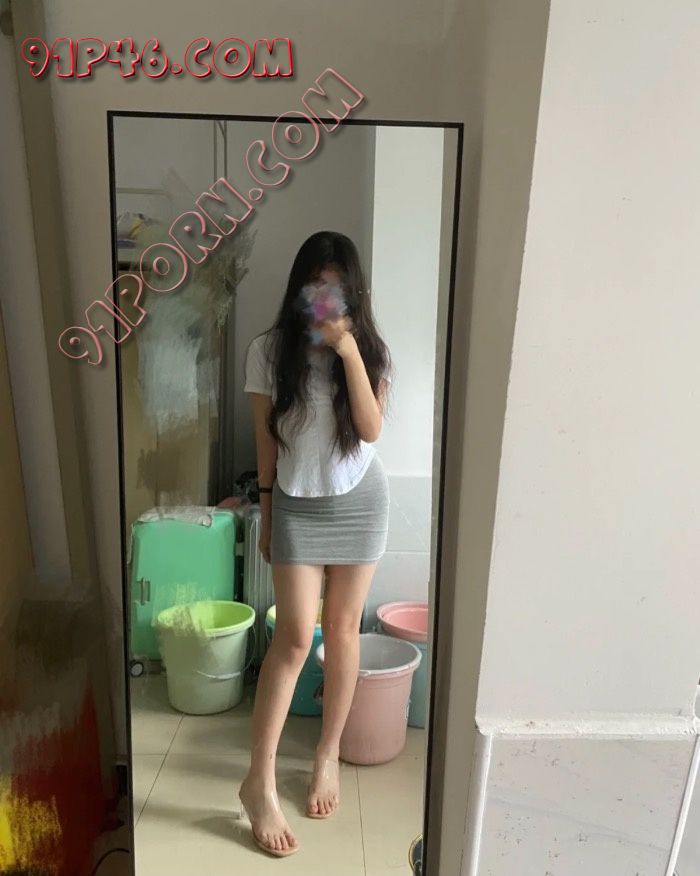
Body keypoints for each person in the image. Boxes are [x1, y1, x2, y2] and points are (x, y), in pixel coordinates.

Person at [237, 230, 393, 857]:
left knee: (344, 629)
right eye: (314, 283)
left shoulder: (371, 351)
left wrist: (348, 350)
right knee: (297, 636)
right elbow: (264, 443)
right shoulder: (268, 351)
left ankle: (327, 755)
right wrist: (268, 513)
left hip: (360, 500)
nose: (324, 295)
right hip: (297, 502)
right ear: (299, 287)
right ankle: (258, 781)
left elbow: (371, 430)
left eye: (336, 285)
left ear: (353, 292)